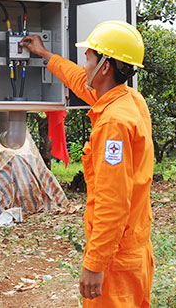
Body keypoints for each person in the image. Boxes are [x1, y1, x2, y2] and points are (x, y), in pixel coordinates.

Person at [22, 21, 155, 307]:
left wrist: (95, 264)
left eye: (88, 58)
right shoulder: (131, 101)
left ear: (104, 66)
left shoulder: (113, 124)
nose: (84, 65)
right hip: (134, 249)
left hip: (115, 260)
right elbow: (78, 81)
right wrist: (46, 55)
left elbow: (113, 201)